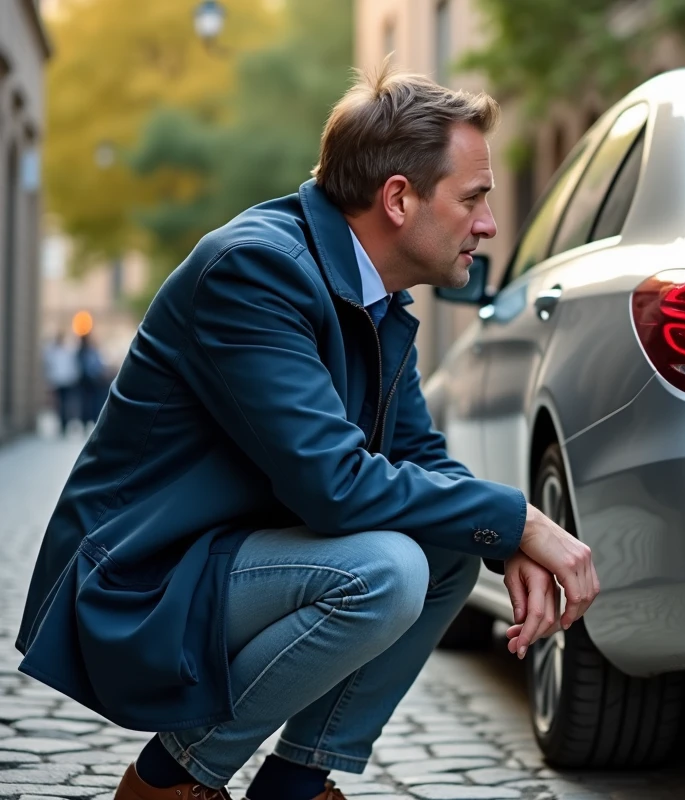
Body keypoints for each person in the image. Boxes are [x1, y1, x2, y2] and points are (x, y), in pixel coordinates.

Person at [16, 67, 600, 800]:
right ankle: (169, 781)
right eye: (474, 199)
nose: (488, 225)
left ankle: (294, 786)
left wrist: (500, 530)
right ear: (397, 198)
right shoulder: (256, 270)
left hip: (230, 559)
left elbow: (418, 458)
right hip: (142, 577)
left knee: (451, 543)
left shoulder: (375, 297)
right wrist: (521, 518)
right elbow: (334, 487)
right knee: (385, 572)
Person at [41, 331, 79, 435]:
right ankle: (61, 422)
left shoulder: (67, 351)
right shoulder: (52, 352)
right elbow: (49, 366)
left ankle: (65, 423)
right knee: (58, 404)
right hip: (57, 381)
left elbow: (72, 366)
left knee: (66, 403)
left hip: (67, 381)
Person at [75, 331, 107, 428]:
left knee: (89, 402)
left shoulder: (87, 351)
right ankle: (88, 420)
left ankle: (90, 420)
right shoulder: (83, 352)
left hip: (89, 380)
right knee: (88, 402)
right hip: (87, 380)